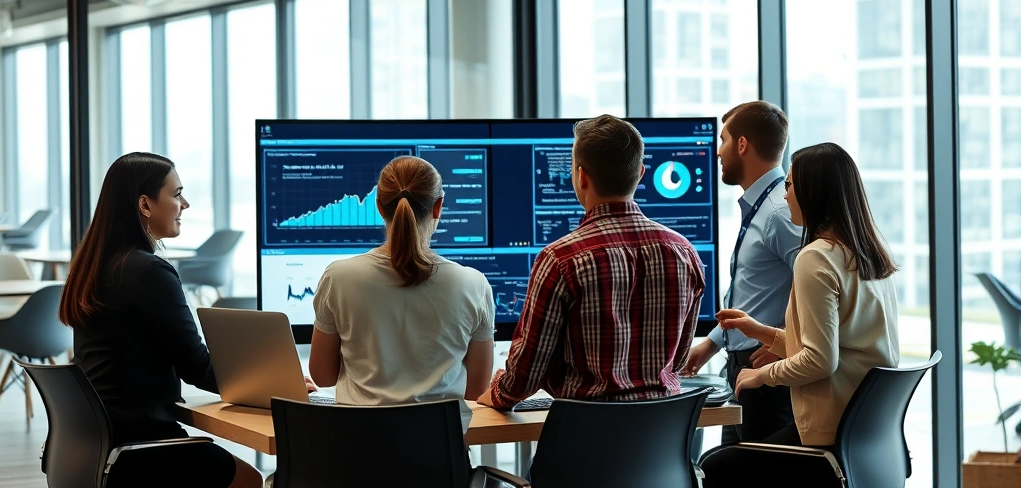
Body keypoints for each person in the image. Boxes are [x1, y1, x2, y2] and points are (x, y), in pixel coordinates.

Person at [700, 142, 900, 485]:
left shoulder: (816, 258)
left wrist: (761, 375)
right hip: (863, 435)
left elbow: (821, 360)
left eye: (789, 185)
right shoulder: (867, 253)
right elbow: (842, 342)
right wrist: (762, 332)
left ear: (811, 192)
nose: (785, 193)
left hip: (825, 438)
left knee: (714, 466)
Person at [60, 152, 262, 488]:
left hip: (95, 447)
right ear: (145, 205)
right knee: (249, 480)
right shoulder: (148, 272)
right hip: (142, 448)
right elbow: (195, 366)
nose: (185, 204)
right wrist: (271, 388)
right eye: (176, 193)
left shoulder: (96, 266)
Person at [478, 114, 705, 410]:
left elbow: (522, 381)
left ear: (581, 176)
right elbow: (676, 360)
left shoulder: (560, 260)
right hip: (659, 441)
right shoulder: (685, 253)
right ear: (640, 173)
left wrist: (495, 392)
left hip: (583, 445)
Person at [308, 155, 494, 431]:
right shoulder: (473, 284)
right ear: (439, 207)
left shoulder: (338, 277)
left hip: (354, 464)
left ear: (379, 206)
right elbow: (476, 389)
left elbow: (323, 377)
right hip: (440, 467)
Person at [682, 100, 801, 442]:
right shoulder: (764, 206)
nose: (718, 152)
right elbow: (754, 291)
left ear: (742, 144)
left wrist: (783, 343)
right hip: (746, 362)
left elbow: (815, 287)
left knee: (747, 471)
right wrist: (712, 344)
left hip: (766, 367)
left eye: (723, 140)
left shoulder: (779, 212)